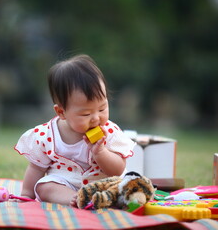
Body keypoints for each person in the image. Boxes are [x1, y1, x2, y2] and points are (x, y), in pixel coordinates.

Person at [14, 54, 135, 206]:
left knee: (126, 187)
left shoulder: (109, 132)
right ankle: (77, 199)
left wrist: (100, 152)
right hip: (66, 184)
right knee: (44, 187)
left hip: (102, 184)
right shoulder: (47, 136)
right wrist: (26, 194)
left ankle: (98, 200)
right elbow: (36, 168)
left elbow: (118, 169)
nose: (96, 118)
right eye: (86, 114)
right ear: (61, 112)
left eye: (102, 108)